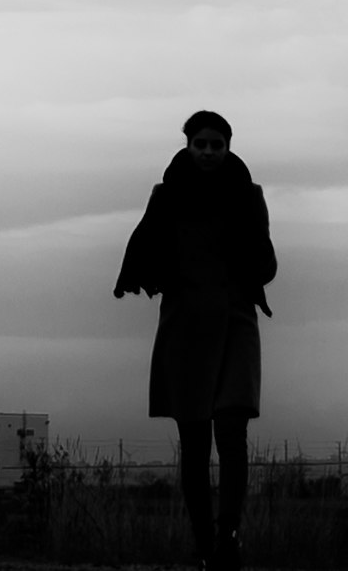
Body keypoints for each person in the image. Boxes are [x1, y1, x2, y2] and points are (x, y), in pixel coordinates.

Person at [113, 108, 274, 570]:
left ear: (228, 146)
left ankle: (229, 536)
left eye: (216, 145)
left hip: (236, 322)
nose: (207, 152)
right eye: (199, 144)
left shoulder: (249, 195)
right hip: (184, 325)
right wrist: (143, 275)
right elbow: (145, 245)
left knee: (233, 432)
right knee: (195, 440)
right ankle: (204, 544)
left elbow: (266, 263)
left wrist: (252, 258)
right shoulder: (166, 196)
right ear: (188, 145)